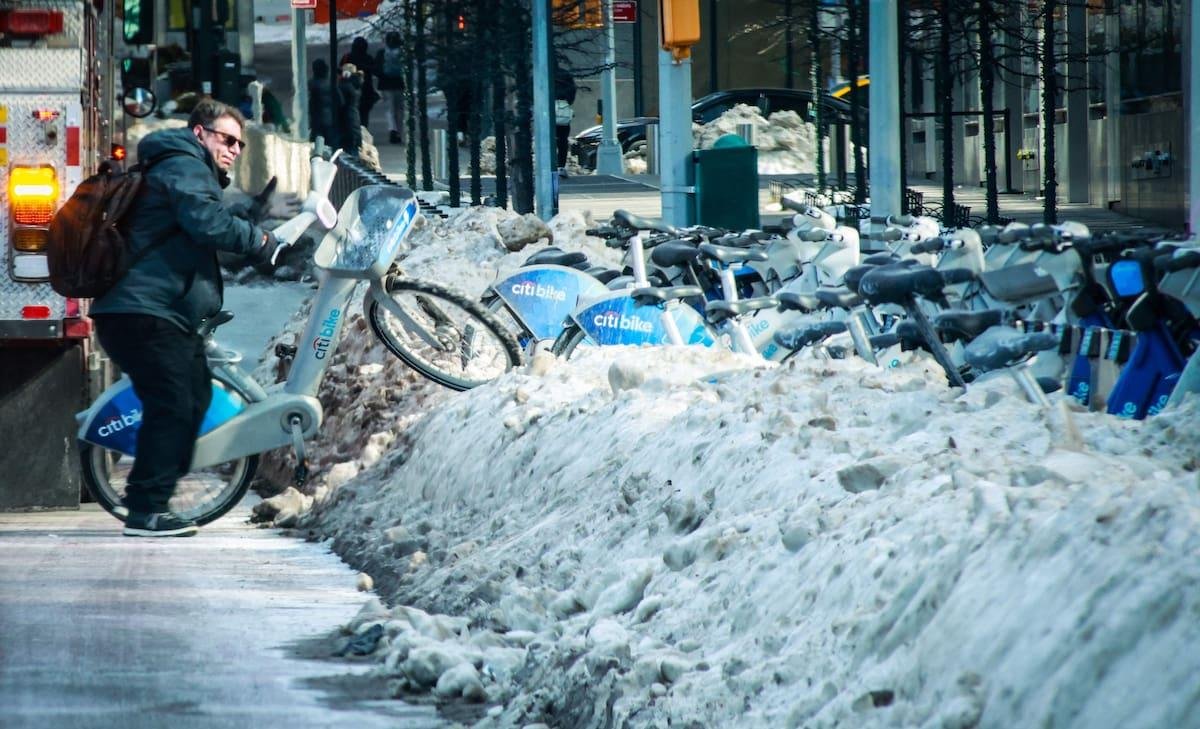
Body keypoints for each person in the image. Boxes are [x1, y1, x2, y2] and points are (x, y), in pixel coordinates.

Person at [89, 99, 277, 537]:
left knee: (191, 398)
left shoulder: (182, 169)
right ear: (200, 133)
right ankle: (146, 510)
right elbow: (207, 224)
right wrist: (259, 240)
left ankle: (154, 501)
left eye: (240, 145)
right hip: (142, 311)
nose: (233, 149)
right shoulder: (182, 165)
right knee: (173, 402)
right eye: (226, 139)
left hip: (161, 312)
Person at [375, 31, 406, 144]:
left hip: (385, 85)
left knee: (390, 109)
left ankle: (392, 128)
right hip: (399, 84)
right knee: (400, 110)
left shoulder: (382, 53)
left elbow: (376, 68)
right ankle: (399, 132)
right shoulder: (403, 53)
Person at [344, 36, 380, 130]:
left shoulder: (348, 57)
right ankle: (362, 131)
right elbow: (375, 70)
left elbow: (342, 71)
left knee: (352, 113)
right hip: (366, 90)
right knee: (364, 114)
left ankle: (354, 130)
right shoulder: (368, 58)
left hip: (350, 89)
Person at [308, 58, 337, 147]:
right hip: (330, 118)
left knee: (316, 143)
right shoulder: (331, 84)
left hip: (317, 119)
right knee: (330, 143)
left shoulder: (312, 84)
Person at [553, 61, 577, 170]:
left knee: (547, 140)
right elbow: (572, 89)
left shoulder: (540, 73)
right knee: (562, 140)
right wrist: (567, 100)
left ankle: (550, 164)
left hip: (545, 111)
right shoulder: (565, 74)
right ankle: (560, 166)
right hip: (562, 110)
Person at [337, 62, 364, 155]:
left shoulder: (345, 86)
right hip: (353, 121)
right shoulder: (355, 84)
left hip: (347, 123)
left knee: (349, 154)